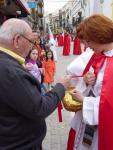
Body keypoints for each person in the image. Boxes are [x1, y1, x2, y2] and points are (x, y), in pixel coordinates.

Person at [0, 18, 72, 150]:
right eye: (31, 42)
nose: (32, 46)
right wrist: (61, 86)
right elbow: (39, 108)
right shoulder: (11, 71)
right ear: (17, 40)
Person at [66, 14, 113, 150]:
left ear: (100, 36)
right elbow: (75, 75)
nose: (86, 45)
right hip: (86, 122)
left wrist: (84, 100)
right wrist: (85, 81)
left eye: (88, 41)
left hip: (104, 130)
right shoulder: (95, 55)